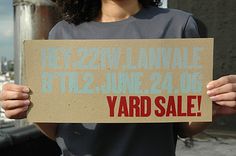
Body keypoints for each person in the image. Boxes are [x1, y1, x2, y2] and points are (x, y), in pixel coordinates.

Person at [0, 0, 236, 155]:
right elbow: (58, 130)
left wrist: (211, 107)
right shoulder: (61, 32)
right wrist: (30, 107)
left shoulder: (180, 25)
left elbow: (183, 128)